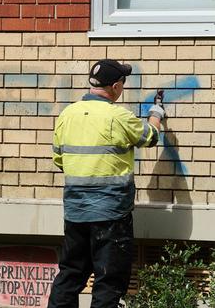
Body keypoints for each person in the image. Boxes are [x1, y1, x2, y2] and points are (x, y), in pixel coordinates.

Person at [48, 59, 164, 307]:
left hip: (76, 213)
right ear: (114, 86)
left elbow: (60, 159)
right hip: (111, 215)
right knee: (108, 281)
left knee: (70, 275)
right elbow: (150, 137)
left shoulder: (67, 114)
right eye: (122, 83)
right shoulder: (118, 116)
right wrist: (156, 113)